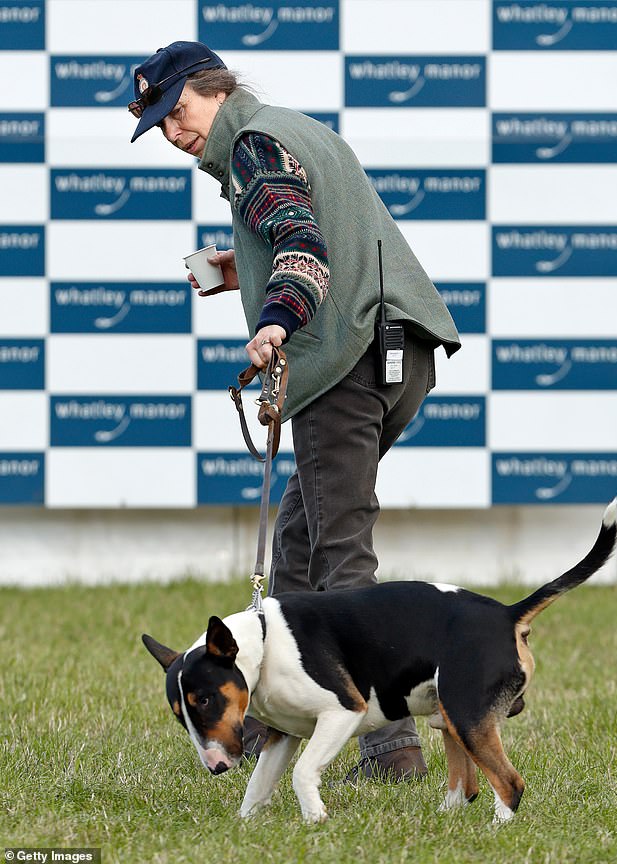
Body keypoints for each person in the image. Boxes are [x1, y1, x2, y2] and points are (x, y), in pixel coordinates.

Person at [129, 41, 461, 782]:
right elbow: (313, 227)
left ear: (213, 91)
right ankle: (274, 721)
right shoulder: (288, 130)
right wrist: (238, 268)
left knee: (340, 557)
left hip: (341, 356)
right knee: (302, 545)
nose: (174, 132)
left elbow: (302, 246)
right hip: (397, 348)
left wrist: (275, 314)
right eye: (159, 124)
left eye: (178, 111)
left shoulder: (250, 147)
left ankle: (390, 748)